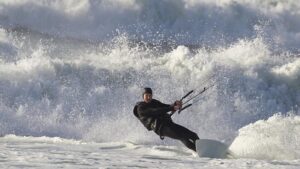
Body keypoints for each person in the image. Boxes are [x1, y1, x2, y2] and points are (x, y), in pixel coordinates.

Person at [133, 87, 199, 151]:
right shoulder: (140, 108)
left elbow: (165, 106)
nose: (148, 97)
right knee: (183, 137)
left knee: (193, 135)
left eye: (150, 95)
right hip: (160, 128)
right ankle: (200, 151)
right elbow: (155, 111)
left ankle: (201, 150)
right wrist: (171, 108)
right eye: (146, 95)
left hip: (167, 123)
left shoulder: (154, 102)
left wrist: (174, 104)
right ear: (143, 96)